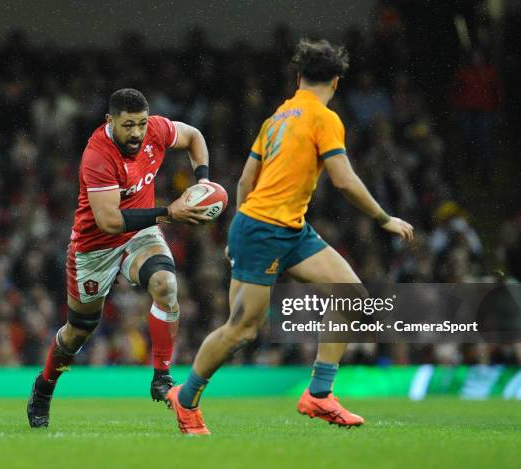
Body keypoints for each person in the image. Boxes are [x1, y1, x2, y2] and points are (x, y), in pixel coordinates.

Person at [166, 39, 414, 434]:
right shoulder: (324, 117)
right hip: (264, 229)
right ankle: (187, 397)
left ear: (299, 77)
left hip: (284, 227)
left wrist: (239, 227)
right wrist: (384, 218)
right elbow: (344, 181)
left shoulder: (276, 118)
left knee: (350, 295)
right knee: (242, 329)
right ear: (335, 81)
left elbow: (247, 180)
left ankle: (318, 394)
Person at [27, 88, 212, 428]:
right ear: (110, 121)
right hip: (95, 246)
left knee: (166, 283)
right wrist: (170, 213)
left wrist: (202, 183)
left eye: (141, 124)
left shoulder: (156, 130)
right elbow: (109, 221)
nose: (138, 133)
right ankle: (44, 386)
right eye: (129, 125)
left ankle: (162, 375)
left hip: (140, 235)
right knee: (78, 331)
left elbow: (194, 136)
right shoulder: (97, 155)